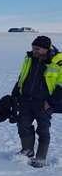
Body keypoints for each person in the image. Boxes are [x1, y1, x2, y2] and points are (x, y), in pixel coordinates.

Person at [11, 36, 62, 168]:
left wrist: (51, 102)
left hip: (44, 103)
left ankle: (41, 157)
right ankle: (27, 150)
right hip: (26, 99)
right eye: (33, 48)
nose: (34, 51)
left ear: (46, 49)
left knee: (43, 129)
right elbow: (22, 76)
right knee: (22, 124)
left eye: (37, 49)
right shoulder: (29, 58)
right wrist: (15, 93)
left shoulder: (58, 61)